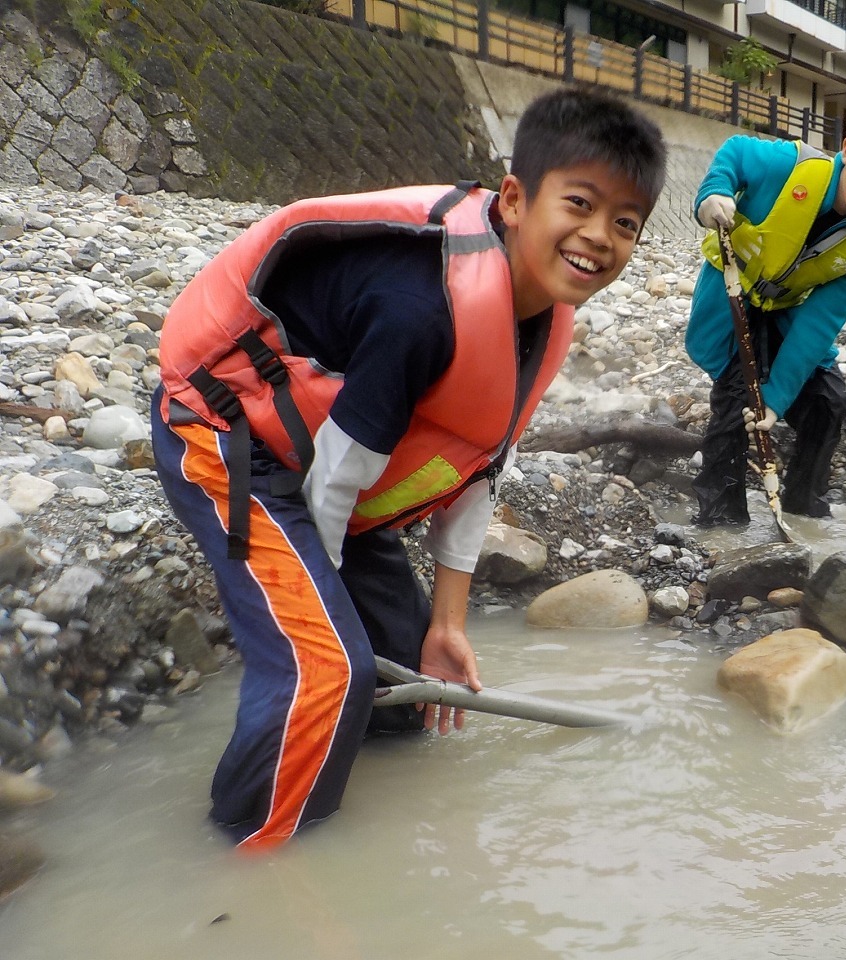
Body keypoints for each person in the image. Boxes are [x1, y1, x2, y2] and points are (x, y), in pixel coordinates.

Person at [150, 86, 667, 850]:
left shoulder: (538, 316)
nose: (599, 237)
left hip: (325, 456)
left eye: (625, 223)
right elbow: (333, 479)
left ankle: (362, 792)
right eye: (581, 205)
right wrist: (320, 616)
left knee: (404, 663)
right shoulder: (419, 308)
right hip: (228, 436)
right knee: (325, 670)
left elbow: (481, 466)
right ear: (518, 199)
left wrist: (449, 625)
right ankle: (247, 858)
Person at [685, 102, 846, 524]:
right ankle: (720, 519)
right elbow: (734, 152)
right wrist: (714, 193)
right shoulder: (789, 165)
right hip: (734, 300)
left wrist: (778, 398)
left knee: (828, 401)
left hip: (785, 309)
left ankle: (804, 507)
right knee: (738, 398)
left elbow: (820, 321)